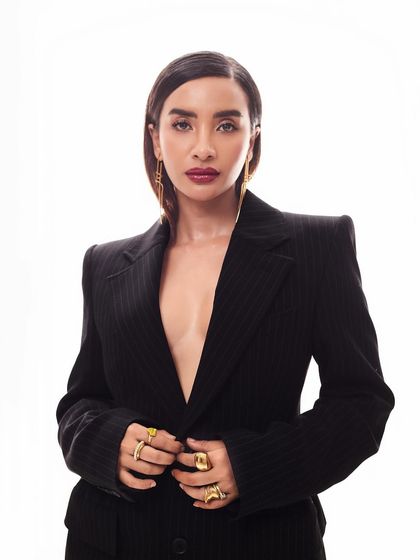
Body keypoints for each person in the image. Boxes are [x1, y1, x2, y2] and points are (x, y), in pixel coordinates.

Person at [56, 50, 395, 560]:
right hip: (113, 540)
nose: (203, 147)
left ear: (252, 138)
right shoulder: (104, 264)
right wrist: (107, 443)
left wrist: (256, 466)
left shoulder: (317, 247)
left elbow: (362, 403)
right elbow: (81, 402)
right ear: (155, 138)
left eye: (226, 125)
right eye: (182, 124)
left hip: (260, 541)